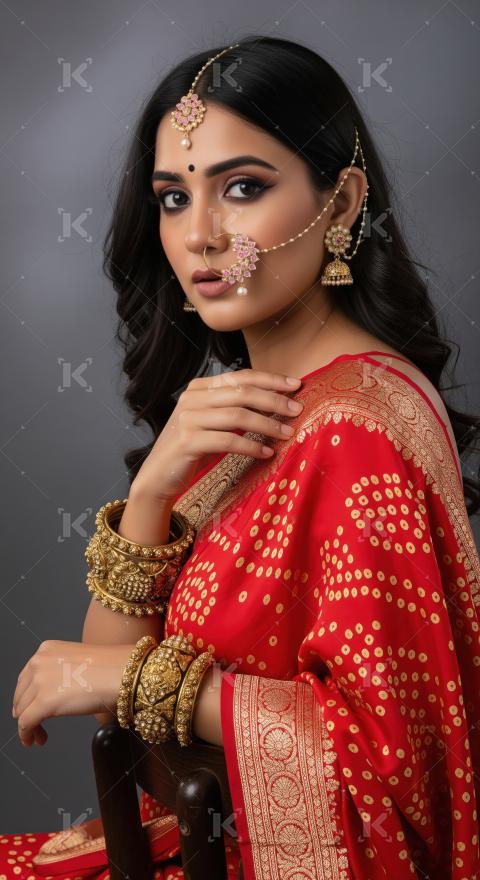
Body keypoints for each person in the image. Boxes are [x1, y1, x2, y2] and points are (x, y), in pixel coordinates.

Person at [3, 34, 480, 880]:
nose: (202, 236)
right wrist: (152, 492)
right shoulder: (255, 410)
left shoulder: (356, 429)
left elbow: (391, 785)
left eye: (243, 188)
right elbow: (142, 752)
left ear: (340, 203)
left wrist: (147, 677)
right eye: (173, 199)